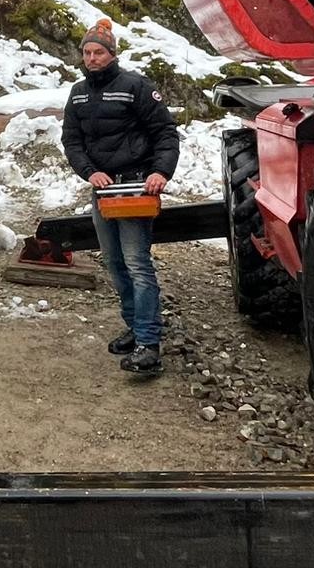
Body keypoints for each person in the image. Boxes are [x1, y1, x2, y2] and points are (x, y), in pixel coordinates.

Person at [59, 19, 180, 374]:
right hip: (103, 190)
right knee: (114, 261)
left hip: (136, 186)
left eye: (98, 52)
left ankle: (149, 343)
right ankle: (135, 326)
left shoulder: (135, 87)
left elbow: (165, 133)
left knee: (137, 263)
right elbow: (72, 141)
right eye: (87, 52)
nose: (92, 58)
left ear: (112, 54)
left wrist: (160, 172)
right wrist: (89, 171)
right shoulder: (78, 93)